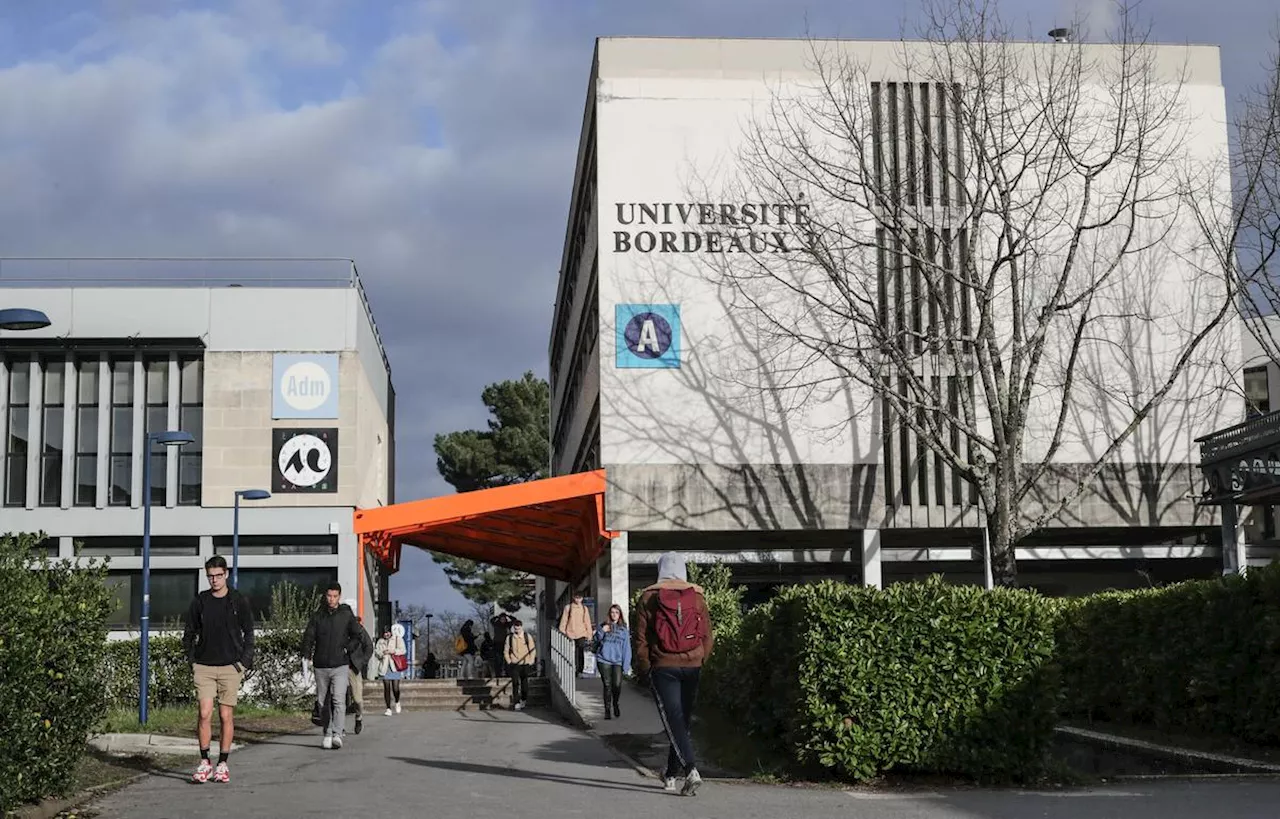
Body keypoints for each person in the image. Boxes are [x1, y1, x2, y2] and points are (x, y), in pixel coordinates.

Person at [634, 552, 714, 797]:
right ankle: (670, 774)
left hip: (663, 666)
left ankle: (690, 770)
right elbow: (707, 635)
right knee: (681, 721)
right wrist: (700, 658)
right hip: (693, 665)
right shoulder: (697, 597)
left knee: (673, 720)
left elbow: (640, 639)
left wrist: (646, 668)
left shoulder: (648, 597)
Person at [182, 555, 255, 784]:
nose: (214, 580)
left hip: (230, 667)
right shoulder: (200, 601)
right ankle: (205, 762)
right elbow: (189, 633)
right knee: (204, 713)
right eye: (210, 576)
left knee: (225, 715)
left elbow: (249, 633)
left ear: (226, 575)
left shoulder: (238, 600)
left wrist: (243, 662)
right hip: (204, 666)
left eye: (218, 576)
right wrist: (192, 659)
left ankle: (223, 763)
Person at [301, 583, 366, 749]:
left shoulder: (346, 615)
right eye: (329, 596)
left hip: (340, 665)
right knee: (322, 702)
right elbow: (308, 637)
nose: (331, 599)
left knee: (338, 699)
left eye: (335, 596)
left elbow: (357, 635)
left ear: (339, 596)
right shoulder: (317, 616)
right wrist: (306, 655)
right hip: (321, 664)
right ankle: (327, 732)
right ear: (325, 595)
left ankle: (337, 734)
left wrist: (347, 648)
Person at [593, 604, 632, 720]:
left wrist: (626, 665)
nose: (614, 614)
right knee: (607, 685)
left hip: (618, 661)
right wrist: (601, 631)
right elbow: (595, 640)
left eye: (616, 612)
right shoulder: (604, 626)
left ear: (619, 615)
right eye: (612, 612)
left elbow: (627, 648)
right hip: (604, 659)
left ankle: (615, 703)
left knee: (617, 685)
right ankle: (607, 710)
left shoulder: (623, 630)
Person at [343, 599, 374, 735]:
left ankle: (358, 717)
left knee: (357, 698)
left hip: (353, 667)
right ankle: (339, 726)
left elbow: (369, 646)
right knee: (338, 698)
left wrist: (362, 661)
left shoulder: (359, 629)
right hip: (338, 666)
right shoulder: (338, 629)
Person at [503, 619, 537, 711]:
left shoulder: (527, 636)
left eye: (518, 628)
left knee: (524, 683)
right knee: (515, 683)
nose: (517, 630)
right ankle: (516, 702)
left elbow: (532, 650)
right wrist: (509, 661)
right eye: (515, 628)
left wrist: (531, 660)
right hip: (514, 664)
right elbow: (506, 651)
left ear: (521, 627)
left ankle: (523, 699)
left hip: (525, 663)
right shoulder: (509, 638)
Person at [375, 623, 408, 715]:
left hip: (394, 666)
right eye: (385, 633)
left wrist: (393, 651)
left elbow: (403, 650)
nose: (386, 634)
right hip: (384, 667)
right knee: (386, 687)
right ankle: (388, 708)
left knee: (395, 688)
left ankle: (397, 701)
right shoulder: (380, 641)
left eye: (388, 632)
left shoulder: (397, 639)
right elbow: (376, 652)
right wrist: (382, 653)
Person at [558, 590, 592, 676]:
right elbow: (564, 620)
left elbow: (587, 621)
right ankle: (571, 668)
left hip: (581, 633)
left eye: (580, 598)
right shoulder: (568, 607)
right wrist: (562, 631)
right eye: (576, 598)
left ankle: (579, 670)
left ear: (582, 598)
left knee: (580, 652)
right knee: (570, 652)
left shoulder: (584, 608)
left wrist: (589, 634)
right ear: (573, 597)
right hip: (570, 633)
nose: (578, 600)